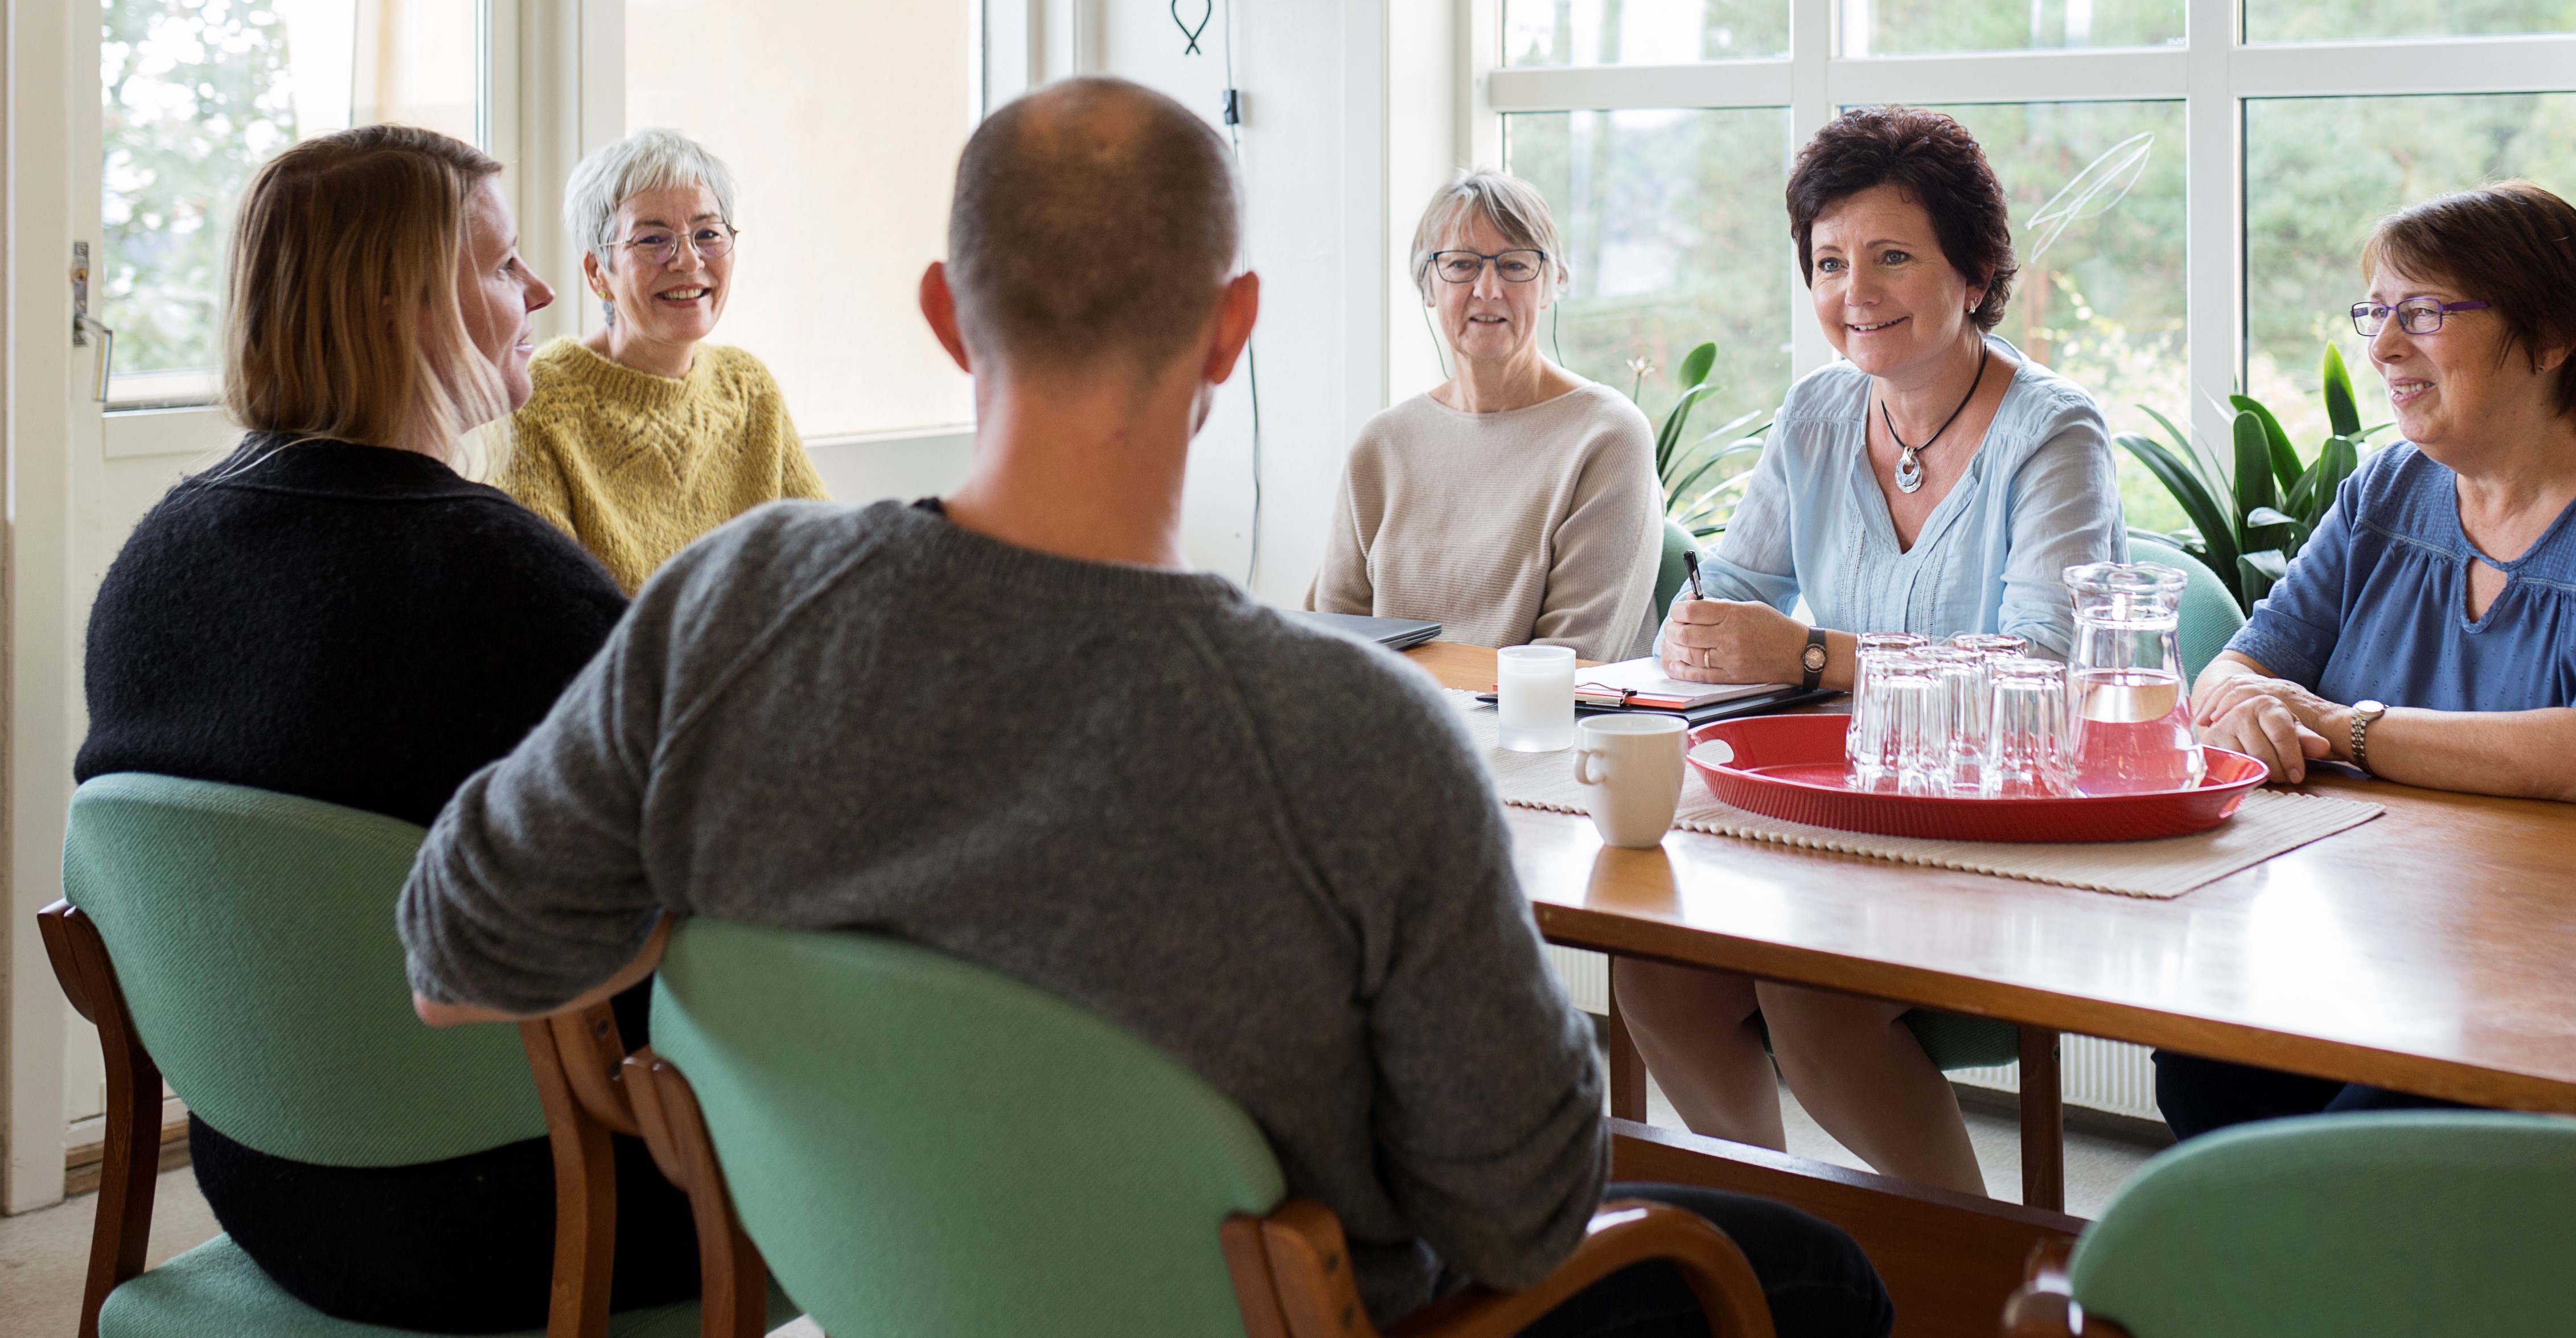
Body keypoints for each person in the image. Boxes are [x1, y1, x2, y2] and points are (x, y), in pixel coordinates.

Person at [398, 77, 1892, 1338]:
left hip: (885, 1293)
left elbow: (457, 953)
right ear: (1230, 330)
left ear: (945, 316)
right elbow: (1522, 1207)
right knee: (1817, 1267)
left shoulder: (730, 608)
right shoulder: (1356, 737)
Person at [73, 124, 698, 1331]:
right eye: (506, 263)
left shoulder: (154, 560)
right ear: (399, 301)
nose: (542, 292)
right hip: (560, 1212)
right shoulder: (511, 584)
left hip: (272, 1189)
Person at [2159, 180, 2576, 1138]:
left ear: (2549, 337)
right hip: (2433, 936)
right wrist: (2245, 704)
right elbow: (2236, 670)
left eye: (2423, 313)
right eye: (2376, 312)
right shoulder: (2390, 489)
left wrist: (2342, 730)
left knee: (2379, 1128)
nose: (2381, 347)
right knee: (2206, 1067)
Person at [1614, 107, 2125, 1195]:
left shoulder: (2054, 432)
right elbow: (1729, 599)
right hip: (1831, 812)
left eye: (1894, 257)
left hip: (2001, 822)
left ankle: (1971, 1271)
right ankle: (1767, 1239)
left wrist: (1810, 659)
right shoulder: (1813, 414)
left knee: (1813, 991)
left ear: (1977, 270)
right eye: (1830, 262)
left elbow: (2044, 672)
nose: (1857, 293)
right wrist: (1704, 635)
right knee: (1655, 970)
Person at [1312, 168, 1659, 659]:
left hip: (1542, 732)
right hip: (1387, 729)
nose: (1488, 289)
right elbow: (1333, 645)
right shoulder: (1382, 443)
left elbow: (1575, 662)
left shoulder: (1607, 436)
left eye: (1516, 266)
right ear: (1427, 284)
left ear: (1552, 283)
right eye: (1461, 265)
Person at [500, 127, 825, 593]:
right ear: (598, 273)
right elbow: (554, 613)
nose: (688, 260)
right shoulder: (538, 404)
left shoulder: (748, 388)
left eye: (708, 233)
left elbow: (828, 564)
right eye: (654, 240)